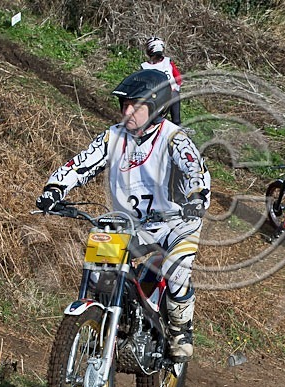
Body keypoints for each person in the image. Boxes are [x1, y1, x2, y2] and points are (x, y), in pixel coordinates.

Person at [35, 69, 210, 363]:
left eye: (136, 106)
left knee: (176, 267)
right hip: (132, 224)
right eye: (124, 105)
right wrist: (55, 188)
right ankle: (102, 319)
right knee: (101, 269)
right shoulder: (113, 136)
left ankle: (181, 330)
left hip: (176, 223)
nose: (127, 111)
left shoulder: (174, 138)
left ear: (155, 108)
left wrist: (197, 196)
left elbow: (195, 170)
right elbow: (82, 163)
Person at [140, 37, 183, 125]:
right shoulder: (145, 66)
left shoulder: (167, 62)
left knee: (174, 95)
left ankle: (177, 123)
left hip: (168, 95)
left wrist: (175, 88)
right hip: (156, 97)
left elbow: (178, 78)